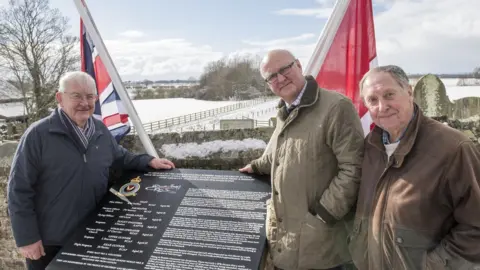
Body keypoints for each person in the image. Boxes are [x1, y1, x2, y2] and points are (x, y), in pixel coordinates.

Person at [7, 71, 176, 270]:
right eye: (76, 96)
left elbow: (120, 156)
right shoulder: (38, 135)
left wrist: (149, 161)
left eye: (90, 96)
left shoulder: (99, 130)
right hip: (50, 243)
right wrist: (27, 238)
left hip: (91, 237)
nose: (84, 103)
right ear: (60, 98)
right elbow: (18, 190)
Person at [239, 49, 365, 270]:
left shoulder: (336, 107)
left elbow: (354, 167)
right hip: (286, 240)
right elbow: (281, 154)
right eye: (271, 77)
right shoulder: (285, 111)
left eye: (284, 69)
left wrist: (323, 214)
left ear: (298, 65)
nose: (280, 78)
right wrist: (256, 166)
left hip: (323, 246)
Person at [348, 65, 480, 270]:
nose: (382, 106)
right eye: (372, 100)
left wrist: (433, 265)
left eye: (389, 95)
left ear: (409, 92)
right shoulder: (370, 148)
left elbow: (475, 226)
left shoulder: (452, 148)